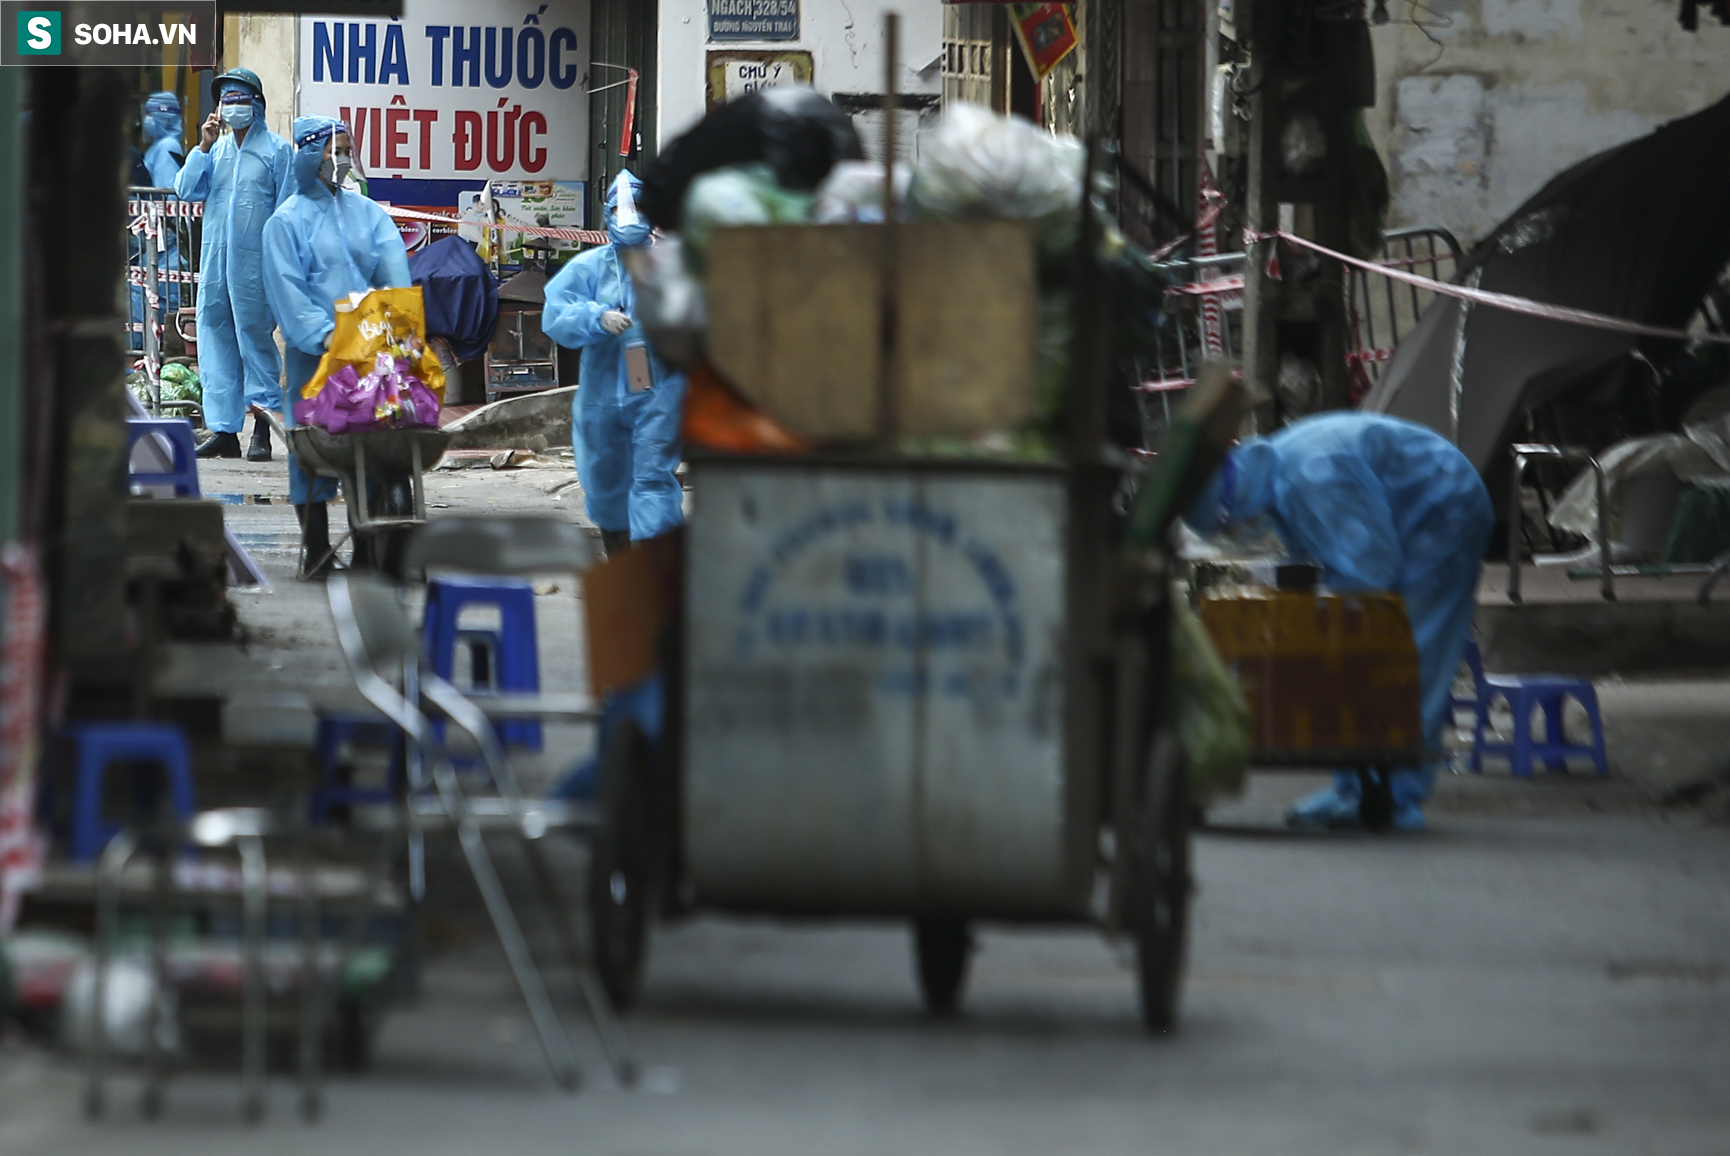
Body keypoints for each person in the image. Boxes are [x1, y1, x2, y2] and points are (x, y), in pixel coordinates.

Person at [1184, 411, 1494, 831]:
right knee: (1356, 654)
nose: (1234, 536)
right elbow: (1328, 563)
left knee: (1408, 654)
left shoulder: (1310, 475)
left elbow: (1369, 573)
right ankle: (1355, 786)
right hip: (1413, 510)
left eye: (1225, 529)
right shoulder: (1278, 481)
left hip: (1443, 511)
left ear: (1231, 509)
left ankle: (1398, 796)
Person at [261, 115, 411, 578]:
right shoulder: (284, 223)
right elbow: (289, 293)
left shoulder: (368, 213)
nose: (341, 158)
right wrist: (328, 336)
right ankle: (318, 551)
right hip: (315, 363)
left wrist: (398, 329)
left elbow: (394, 278)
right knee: (312, 458)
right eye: (334, 148)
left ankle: (368, 554)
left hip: (370, 361)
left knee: (368, 454)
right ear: (310, 153)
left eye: (346, 149)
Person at [542, 170, 689, 554]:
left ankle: (657, 569)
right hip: (603, 393)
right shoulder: (588, 267)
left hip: (659, 391)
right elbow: (557, 313)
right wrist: (596, 318)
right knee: (604, 478)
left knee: (653, 477)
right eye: (622, 208)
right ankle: (621, 558)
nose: (630, 217)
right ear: (606, 214)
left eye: (638, 208)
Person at [175, 68, 293, 462]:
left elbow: (287, 210)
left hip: (256, 268)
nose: (232, 107)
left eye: (239, 98)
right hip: (215, 265)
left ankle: (261, 427)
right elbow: (186, 189)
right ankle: (225, 430)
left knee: (256, 341)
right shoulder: (217, 151)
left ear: (257, 104)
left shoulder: (278, 152)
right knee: (214, 340)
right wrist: (203, 146)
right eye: (225, 100)